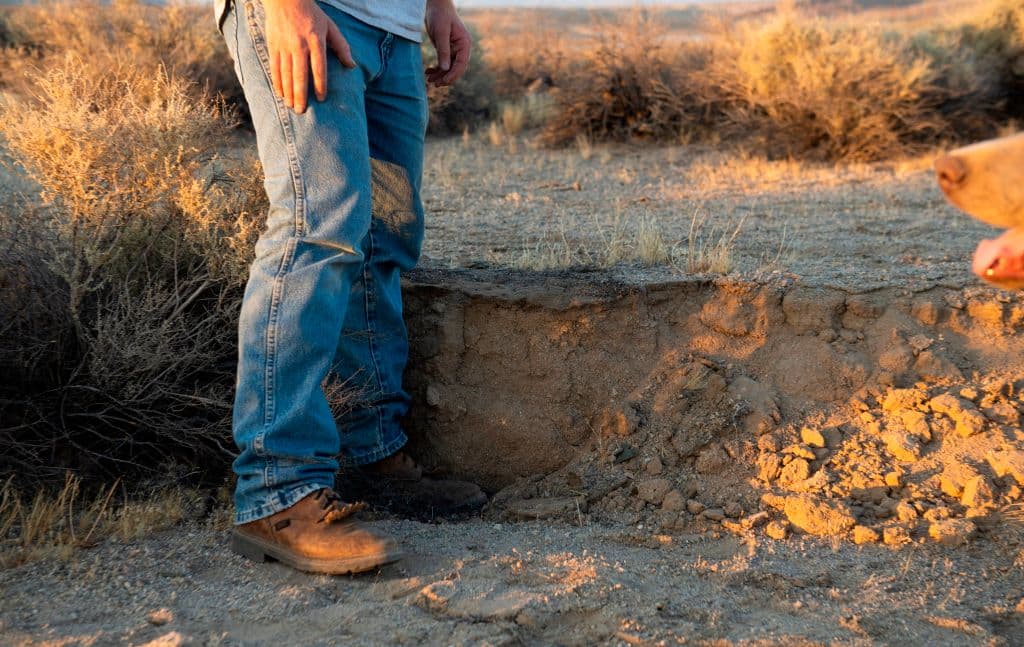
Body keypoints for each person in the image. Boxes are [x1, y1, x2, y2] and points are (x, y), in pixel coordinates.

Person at [215, 0, 485, 574]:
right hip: (315, 11)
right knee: (316, 228)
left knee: (385, 238)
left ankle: (371, 453)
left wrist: (438, 6)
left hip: (396, 29)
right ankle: (277, 492)